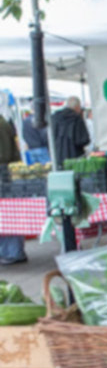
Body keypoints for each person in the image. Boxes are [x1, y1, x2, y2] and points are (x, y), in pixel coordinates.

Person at [0, 113, 27, 265]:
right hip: (7, 172)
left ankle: (12, 252)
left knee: (5, 214)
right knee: (7, 213)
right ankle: (12, 251)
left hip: (3, 173)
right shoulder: (4, 123)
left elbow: (3, 154)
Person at [51, 96, 90, 167]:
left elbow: (49, 138)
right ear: (77, 107)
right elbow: (83, 140)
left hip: (58, 155)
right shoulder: (77, 119)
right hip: (75, 157)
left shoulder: (54, 118)